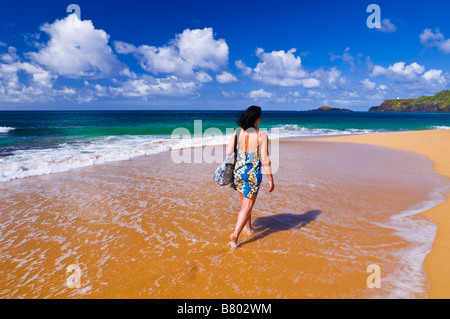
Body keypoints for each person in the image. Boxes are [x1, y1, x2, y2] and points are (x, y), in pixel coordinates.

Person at [226, 106, 275, 248]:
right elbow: (265, 159)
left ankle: (249, 229)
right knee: (248, 205)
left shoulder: (237, 132)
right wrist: (271, 179)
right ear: (257, 119)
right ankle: (235, 235)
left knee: (244, 204)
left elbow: (228, 152)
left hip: (238, 172)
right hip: (252, 174)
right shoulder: (261, 135)